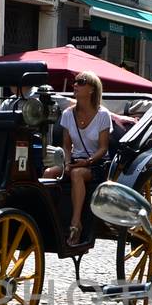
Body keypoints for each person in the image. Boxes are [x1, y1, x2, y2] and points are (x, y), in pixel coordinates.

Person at [53, 71, 111, 245]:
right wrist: (66, 162)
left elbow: (103, 148)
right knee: (48, 173)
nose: (75, 85)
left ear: (92, 89)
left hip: (97, 164)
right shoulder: (68, 114)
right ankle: (51, 220)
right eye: (75, 82)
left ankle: (75, 224)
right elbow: (66, 144)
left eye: (81, 82)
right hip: (75, 160)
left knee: (77, 174)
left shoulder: (103, 115)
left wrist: (87, 162)